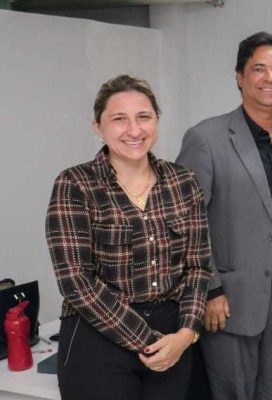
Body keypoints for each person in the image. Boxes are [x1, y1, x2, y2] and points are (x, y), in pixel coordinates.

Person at [176, 31, 272, 400]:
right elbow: (184, 222)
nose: (269, 78)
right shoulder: (206, 138)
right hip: (228, 299)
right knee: (232, 392)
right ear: (239, 77)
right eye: (258, 69)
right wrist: (210, 289)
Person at [45, 75, 211, 399]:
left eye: (143, 117)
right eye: (119, 119)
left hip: (171, 336)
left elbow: (198, 267)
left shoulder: (183, 181)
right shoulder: (75, 184)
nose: (134, 130)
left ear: (156, 120)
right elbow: (75, 281)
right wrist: (146, 340)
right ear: (98, 126)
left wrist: (186, 333)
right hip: (98, 332)